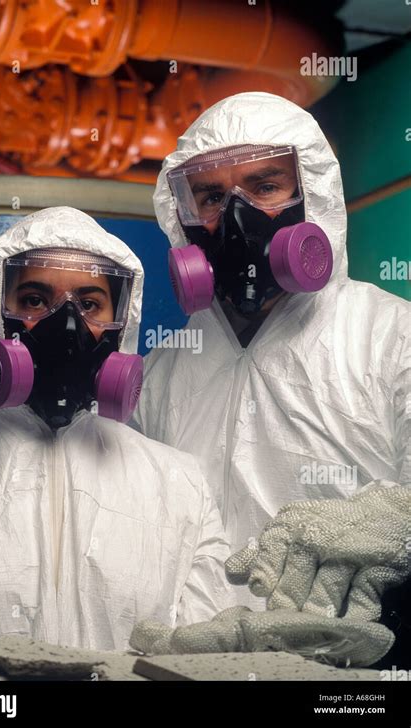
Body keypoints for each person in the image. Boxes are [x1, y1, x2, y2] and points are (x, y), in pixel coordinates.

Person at [132, 92, 410, 628]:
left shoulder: (391, 338)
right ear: (183, 220)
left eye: (264, 187)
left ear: (314, 197)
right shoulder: (159, 376)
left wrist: (401, 524)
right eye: (211, 198)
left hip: (350, 670)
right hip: (188, 666)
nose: (236, 218)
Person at [0, 206, 234, 650]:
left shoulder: (179, 485)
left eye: (90, 304)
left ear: (122, 323)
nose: (69, 324)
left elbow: (202, 657)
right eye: (36, 300)